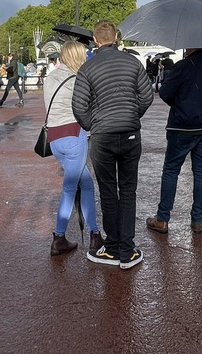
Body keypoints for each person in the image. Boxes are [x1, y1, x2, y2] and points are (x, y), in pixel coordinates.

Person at [72, 20, 153, 270]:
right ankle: (128, 250)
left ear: (95, 40)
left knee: (108, 190)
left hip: (102, 135)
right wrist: (131, 116)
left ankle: (114, 245)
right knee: (128, 190)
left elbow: (79, 106)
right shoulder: (133, 62)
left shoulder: (88, 68)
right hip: (129, 133)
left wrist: (92, 125)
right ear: (116, 37)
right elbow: (147, 96)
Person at [146, 47, 202, 236]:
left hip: (182, 125)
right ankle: (197, 219)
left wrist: (180, 104)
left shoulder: (183, 66)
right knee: (201, 171)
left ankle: (162, 218)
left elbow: (165, 92)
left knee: (171, 170)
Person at [44, 40, 102, 256]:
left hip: (54, 137)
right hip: (73, 134)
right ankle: (59, 236)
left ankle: (95, 233)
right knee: (70, 188)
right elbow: (86, 107)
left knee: (85, 183)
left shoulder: (51, 76)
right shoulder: (77, 79)